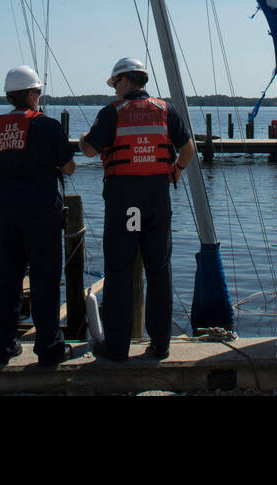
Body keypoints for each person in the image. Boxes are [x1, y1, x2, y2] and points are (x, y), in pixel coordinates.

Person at [79, 57, 194, 361]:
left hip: (125, 205)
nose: (114, 89)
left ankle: (116, 347)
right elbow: (188, 148)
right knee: (159, 270)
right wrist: (177, 168)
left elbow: (90, 149)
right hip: (157, 202)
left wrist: (80, 141)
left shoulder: (112, 113)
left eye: (115, 83)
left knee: (119, 271)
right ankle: (161, 345)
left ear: (125, 81)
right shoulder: (166, 110)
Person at [0, 65, 77, 366]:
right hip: (40, 210)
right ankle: (49, 349)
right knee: (45, 279)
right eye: (38, 91)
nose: (40, 96)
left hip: (5, 209)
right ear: (31, 94)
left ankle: (2, 348)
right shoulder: (47, 126)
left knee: (5, 279)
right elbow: (68, 167)